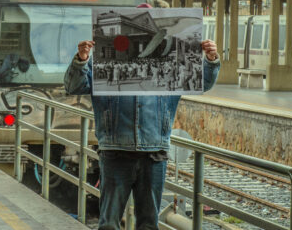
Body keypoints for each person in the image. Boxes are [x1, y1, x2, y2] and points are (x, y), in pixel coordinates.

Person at [64, 33, 220, 230]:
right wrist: (81, 60)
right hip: (116, 151)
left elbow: (202, 83)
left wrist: (210, 60)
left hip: (153, 154)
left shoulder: (170, 65)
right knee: (109, 224)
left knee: (148, 224)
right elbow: (74, 87)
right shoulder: (106, 61)